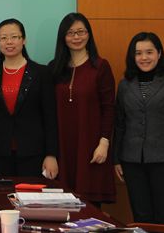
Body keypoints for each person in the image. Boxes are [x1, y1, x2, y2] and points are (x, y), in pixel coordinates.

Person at [115, 32, 164, 225]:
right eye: (138, 53)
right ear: (132, 57)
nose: (144, 57)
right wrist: (116, 159)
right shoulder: (124, 86)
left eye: (149, 52)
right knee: (141, 216)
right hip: (132, 161)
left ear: (159, 54)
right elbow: (120, 124)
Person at [49, 12, 116, 205]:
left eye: (81, 32)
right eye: (71, 33)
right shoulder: (54, 68)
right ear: (63, 37)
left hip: (91, 146)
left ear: (89, 34)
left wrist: (104, 143)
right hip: (62, 146)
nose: (76, 37)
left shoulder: (100, 66)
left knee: (89, 206)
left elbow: (109, 108)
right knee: (62, 206)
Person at [0, 18, 58, 178]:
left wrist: (51, 154)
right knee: (0, 194)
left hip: (33, 152)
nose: (9, 42)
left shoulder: (41, 73)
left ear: (24, 40)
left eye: (14, 37)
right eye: (3, 38)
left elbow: (50, 117)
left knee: (30, 193)